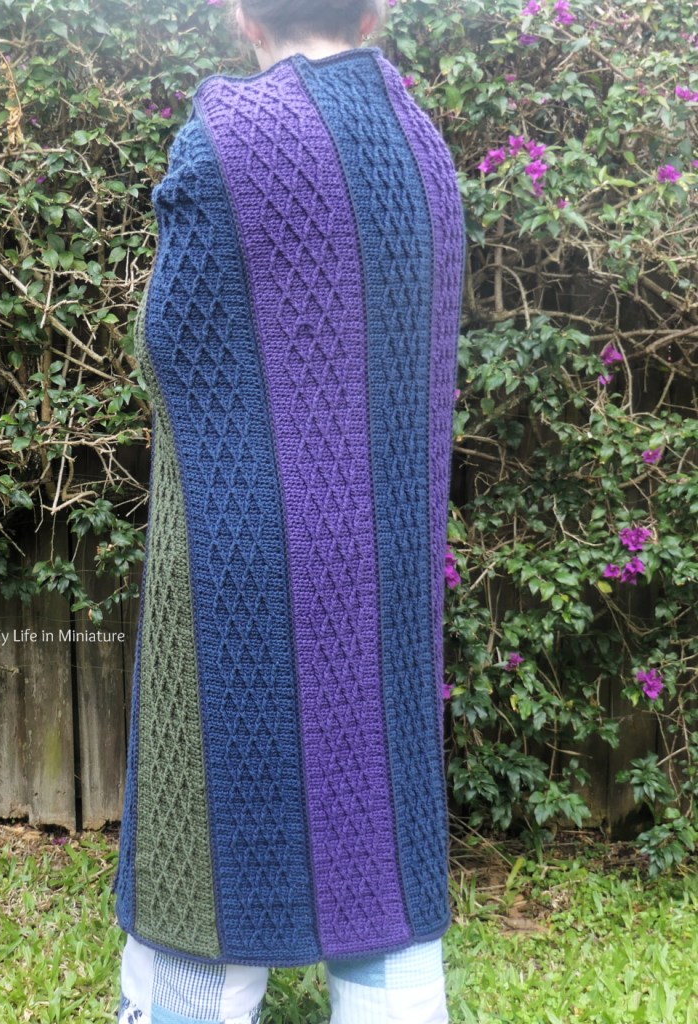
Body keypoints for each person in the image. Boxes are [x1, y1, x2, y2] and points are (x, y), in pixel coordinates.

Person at [114, 0, 466, 1020]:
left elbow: (169, 341)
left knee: (210, 825)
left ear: (240, 9)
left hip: (240, 554)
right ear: (378, 6)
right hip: (383, 553)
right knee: (376, 792)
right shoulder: (422, 143)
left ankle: (189, 1003)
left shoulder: (225, 134)